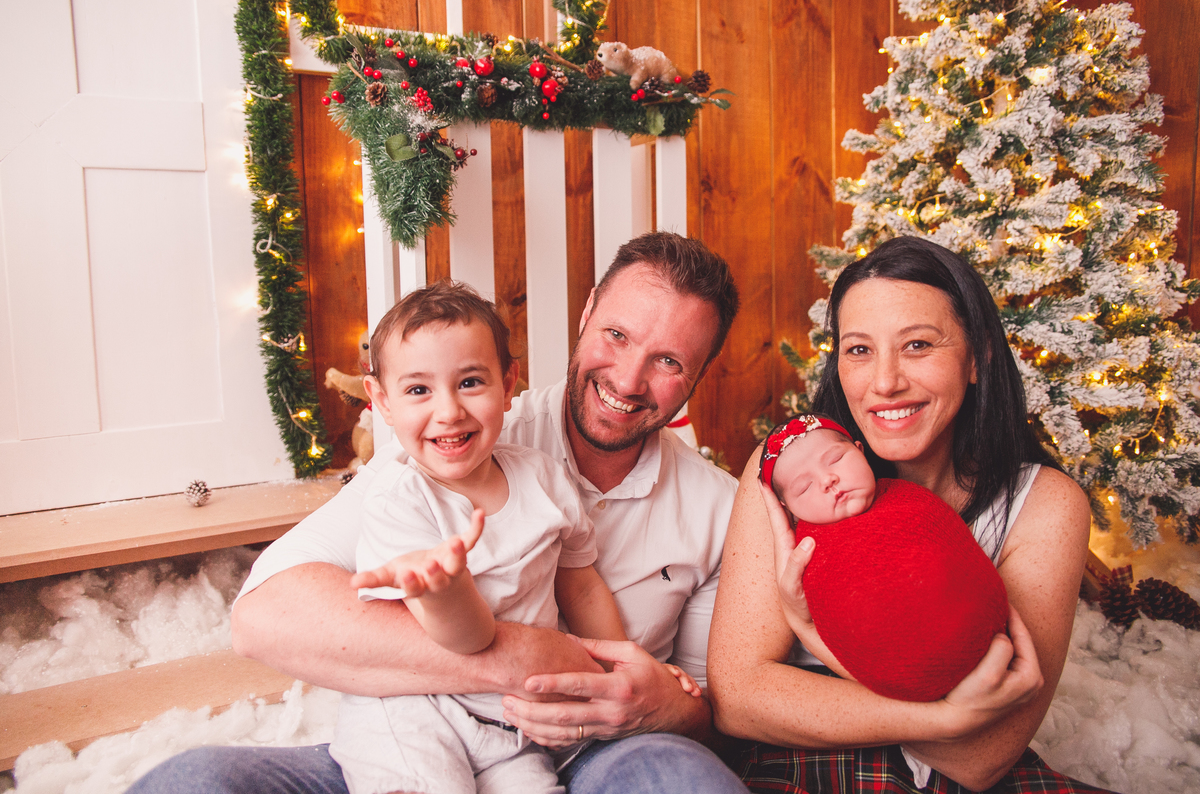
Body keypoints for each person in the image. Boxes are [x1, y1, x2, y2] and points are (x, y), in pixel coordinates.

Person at [127, 232, 748, 794]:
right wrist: (531, 658)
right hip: (417, 726)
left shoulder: (719, 508)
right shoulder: (451, 444)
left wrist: (665, 706)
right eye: (617, 335)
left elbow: (714, 710)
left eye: (669, 361)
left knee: (684, 778)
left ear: (698, 374)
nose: (630, 378)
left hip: (587, 757)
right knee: (190, 781)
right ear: (586, 314)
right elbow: (264, 618)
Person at [707, 236, 1111, 793]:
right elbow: (740, 700)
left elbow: (981, 756)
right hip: (806, 769)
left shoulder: (1046, 504)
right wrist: (946, 718)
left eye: (918, 344)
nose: (885, 382)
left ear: (978, 357)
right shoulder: (791, 470)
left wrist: (811, 637)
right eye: (859, 350)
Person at [333, 280, 651, 794]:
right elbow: (469, 640)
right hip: (415, 708)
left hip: (512, 728)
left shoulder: (543, 479)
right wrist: (444, 588)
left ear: (509, 384)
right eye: (418, 390)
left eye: (470, 383)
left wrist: (621, 669)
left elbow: (581, 585)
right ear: (381, 401)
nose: (449, 411)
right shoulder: (399, 500)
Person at [758, 413, 1008, 705]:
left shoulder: (910, 499)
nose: (827, 480)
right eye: (804, 487)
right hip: (874, 685)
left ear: (859, 451)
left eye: (836, 459)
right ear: (788, 508)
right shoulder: (808, 550)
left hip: (978, 634)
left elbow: (955, 548)